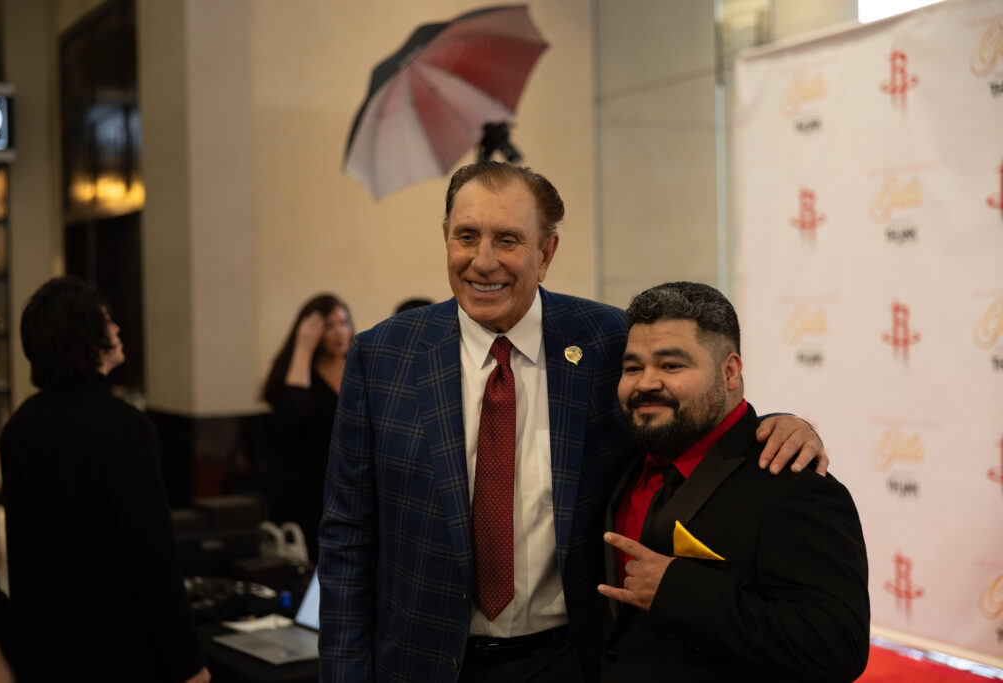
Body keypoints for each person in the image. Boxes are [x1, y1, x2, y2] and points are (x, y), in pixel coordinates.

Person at [318, 161, 826, 683]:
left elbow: (690, 409)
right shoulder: (382, 357)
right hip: (421, 664)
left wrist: (780, 424)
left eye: (508, 239)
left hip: (570, 661)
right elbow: (347, 537)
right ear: (445, 237)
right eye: (466, 236)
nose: (483, 261)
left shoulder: (608, 339)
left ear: (547, 253)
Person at [598, 282, 869, 681]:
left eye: (671, 366)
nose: (646, 383)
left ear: (730, 371)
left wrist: (679, 591)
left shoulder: (794, 483)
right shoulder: (623, 458)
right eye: (633, 367)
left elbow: (837, 645)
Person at [0, 277, 209, 683]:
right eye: (108, 321)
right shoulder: (125, 428)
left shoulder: (18, 428)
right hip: (118, 653)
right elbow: (153, 556)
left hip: (42, 651)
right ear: (87, 338)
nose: (117, 330)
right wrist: (189, 664)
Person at [262, 294, 352, 563]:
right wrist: (303, 349)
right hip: (307, 488)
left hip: (350, 486)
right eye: (329, 325)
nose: (339, 333)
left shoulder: (359, 367)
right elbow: (294, 415)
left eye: (343, 323)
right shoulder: (299, 374)